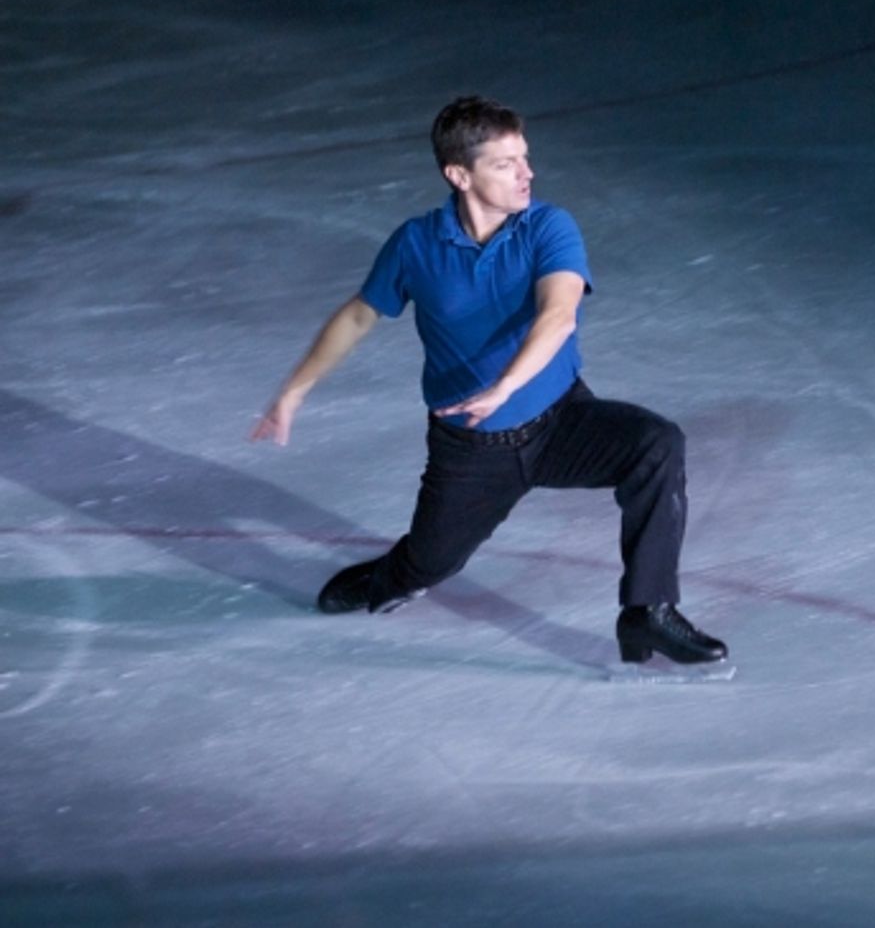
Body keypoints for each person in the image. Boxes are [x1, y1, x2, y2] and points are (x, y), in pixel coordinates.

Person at [251, 95, 726, 666]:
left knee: (656, 444)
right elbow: (358, 316)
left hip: (561, 420)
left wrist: (506, 385)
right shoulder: (416, 245)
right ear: (459, 174)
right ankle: (391, 575)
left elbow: (559, 314)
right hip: (470, 451)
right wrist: (295, 389)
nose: (528, 173)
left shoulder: (547, 226)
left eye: (525, 157)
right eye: (506, 163)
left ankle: (647, 614)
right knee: (428, 565)